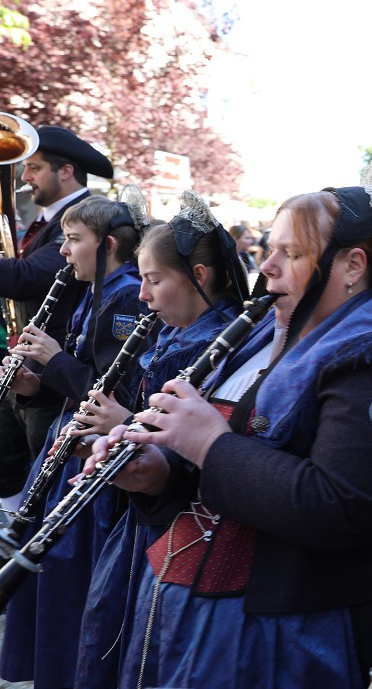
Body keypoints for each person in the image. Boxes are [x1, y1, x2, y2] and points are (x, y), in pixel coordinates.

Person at [81, 163, 372, 688]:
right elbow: (228, 465)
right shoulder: (266, 334)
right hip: (202, 621)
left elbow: (342, 505)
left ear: (352, 265)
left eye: (292, 253)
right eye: (271, 248)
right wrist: (159, 469)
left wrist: (207, 444)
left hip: (295, 639)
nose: (268, 265)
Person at [72, 191, 250, 689]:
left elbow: (198, 442)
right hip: (142, 514)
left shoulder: (215, 346)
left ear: (200, 276)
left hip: (178, 526)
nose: (144, 297)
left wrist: (123, 421)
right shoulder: (176, 331)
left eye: (154, 280)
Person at [0, 192, 149, 689]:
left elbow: (117, 392)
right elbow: (76, 381)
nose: (62, 252)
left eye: (73, 240)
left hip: (92, 463)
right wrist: (31, 382)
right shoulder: (93, 287)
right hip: (66, 447)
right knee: (46, 577)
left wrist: (53, 358)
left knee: (68, 584)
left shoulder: (126, 294)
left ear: (107, 245)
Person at [0, 125, 111, 513]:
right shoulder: (49, 220)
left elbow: (25, 278)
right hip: (32, 371)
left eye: (34, 168)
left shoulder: (84, 218)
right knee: (13, 466)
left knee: (41, 482)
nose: (24, 176)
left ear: (66, 172)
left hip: (57, 376)